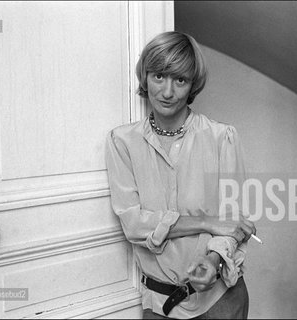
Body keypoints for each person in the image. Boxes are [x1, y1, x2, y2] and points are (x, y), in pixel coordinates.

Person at [105, 31, 256, 319]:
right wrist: (206, 221)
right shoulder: (121, 142)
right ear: (145, 77)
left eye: (180, 80)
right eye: (159, 76)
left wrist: (213, 260)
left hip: (219, 302)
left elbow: (234, 221)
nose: (167, 91)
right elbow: (135, 225)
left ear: (192, 85)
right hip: (159, 306)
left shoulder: (222, 137)